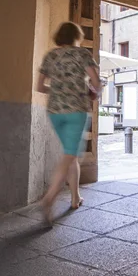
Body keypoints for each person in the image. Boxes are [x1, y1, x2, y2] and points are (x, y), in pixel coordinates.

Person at [36, 22, 101, 224]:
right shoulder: (82, 55)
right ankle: (49, 198)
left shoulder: (50, 55)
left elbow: (39, 86)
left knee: (70, 155)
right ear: (76, 36)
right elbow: (96, 83)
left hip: (55, 111)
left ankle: (75, 198)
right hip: (75, 110)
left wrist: (57, 92)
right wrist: (92, 92)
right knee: (69, 155)